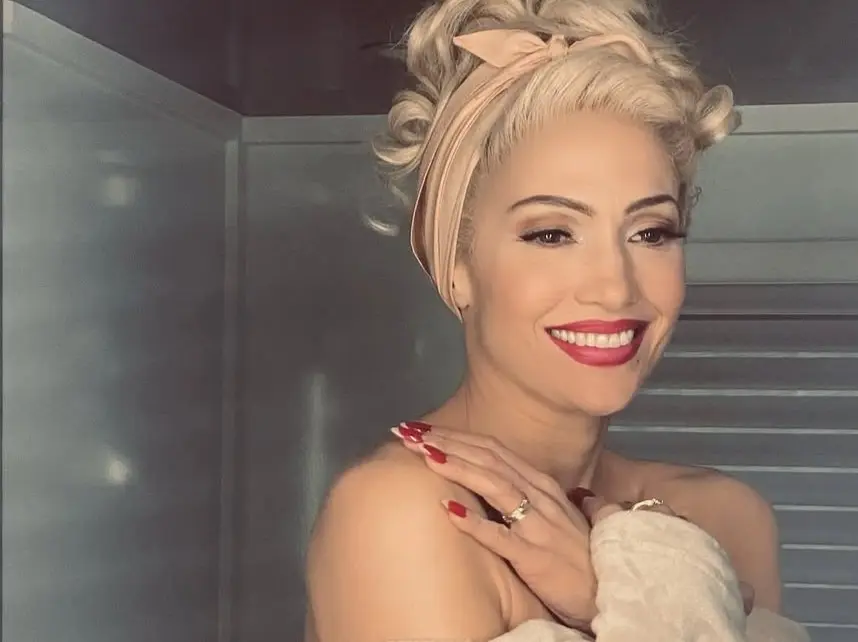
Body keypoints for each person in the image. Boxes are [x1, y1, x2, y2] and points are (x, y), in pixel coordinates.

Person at [305, 1, 810, 640]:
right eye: (551, 233)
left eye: (651, 232)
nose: (615, 287)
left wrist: (625, 589)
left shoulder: (729, 518)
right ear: (455, 266)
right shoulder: (399, 513)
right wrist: (664, 599)